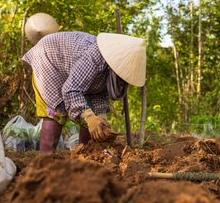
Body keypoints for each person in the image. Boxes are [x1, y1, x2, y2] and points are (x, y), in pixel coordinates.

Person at [22, 13, 146, 154]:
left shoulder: (111, 68)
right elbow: (71, 89)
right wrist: (89, 117)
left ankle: (87, 153)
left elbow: (99, 90)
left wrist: (101, 117)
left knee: (92, 115)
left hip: (70, 72)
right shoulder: (95, 56)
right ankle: (46, 158)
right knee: (56, 113)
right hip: (48, 60)